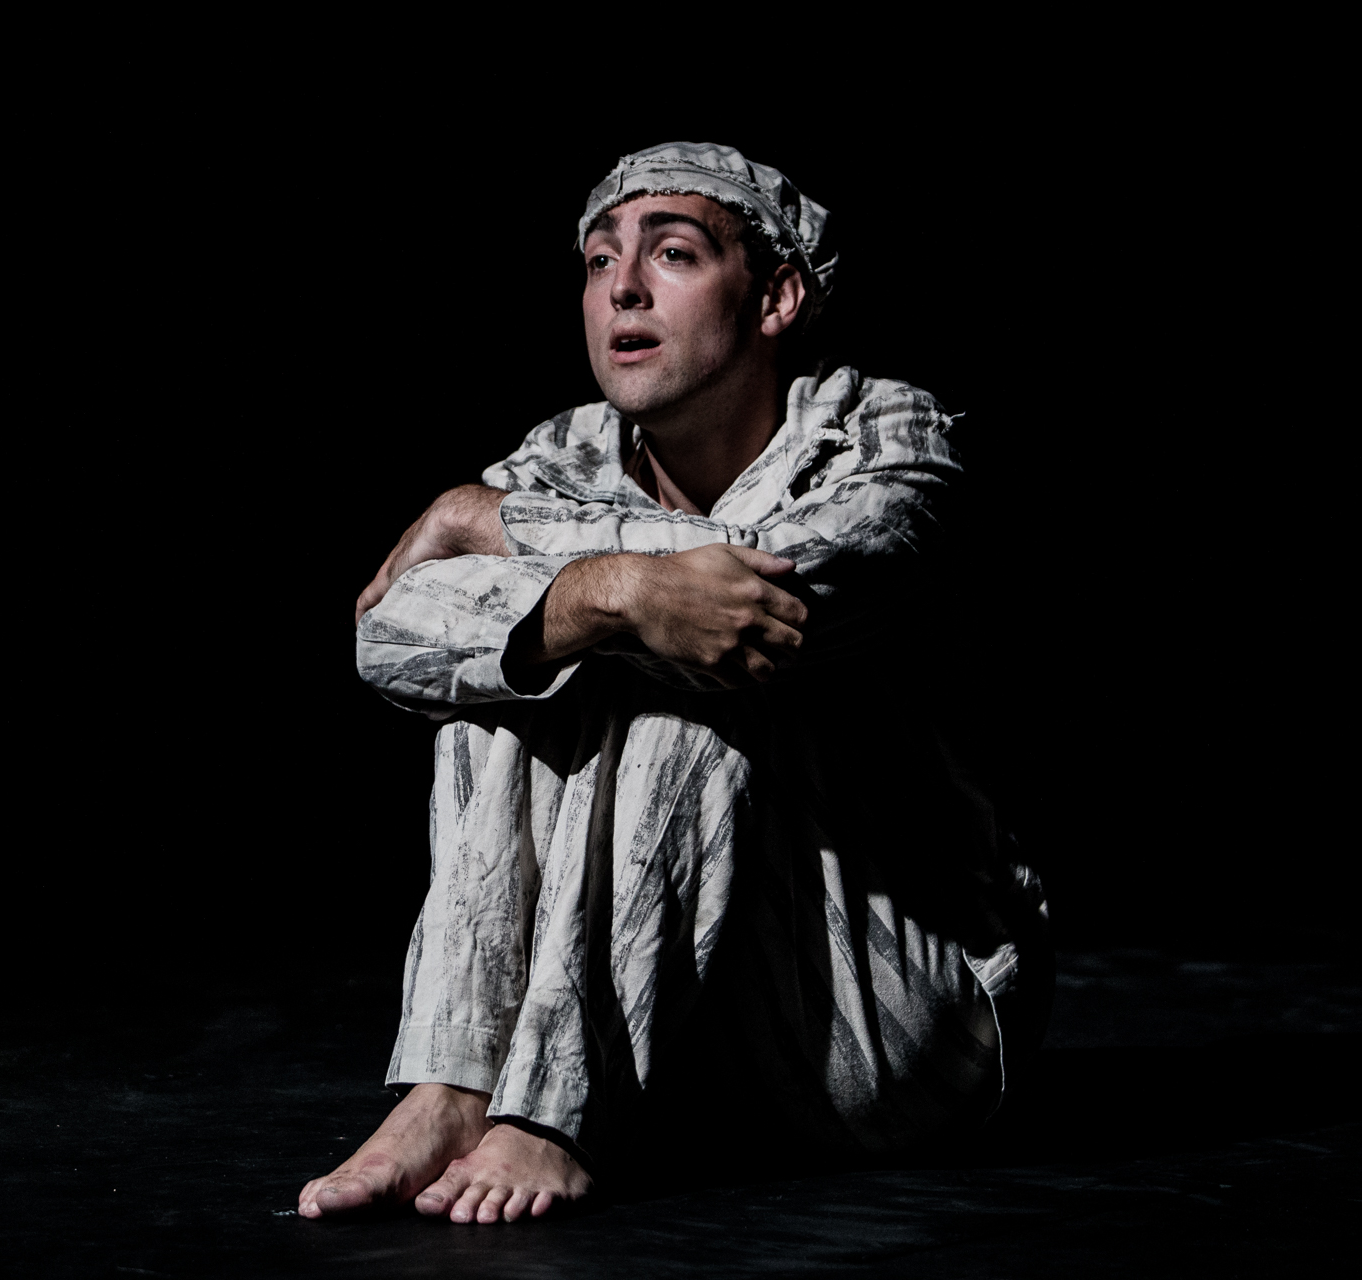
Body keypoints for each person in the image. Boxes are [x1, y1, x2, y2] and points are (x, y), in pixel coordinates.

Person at [299, 141, 1050, 1226]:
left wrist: (490, 523)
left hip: (894, 1012)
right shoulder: (563, 454)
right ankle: (455, 1084)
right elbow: (389, 638)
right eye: (600, 260)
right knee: (510, 680)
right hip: (691, 1046)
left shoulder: (890, 433)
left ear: (777, 296)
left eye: (674, 254)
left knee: (689, 684)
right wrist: (607, 592)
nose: (623, 288)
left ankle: (552, 1113)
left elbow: (768, 600)